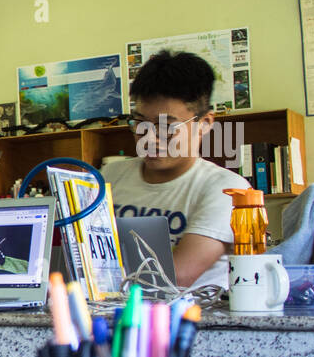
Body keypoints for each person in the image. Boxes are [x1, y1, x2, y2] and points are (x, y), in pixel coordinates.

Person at [105, 50, 248, 290]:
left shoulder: (227, 190)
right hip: (111, 315)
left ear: (204, 124)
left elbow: (176, 277)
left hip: (192, 322)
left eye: (167, 126)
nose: (150, 137)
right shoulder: (109, 177)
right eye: (140, 122)